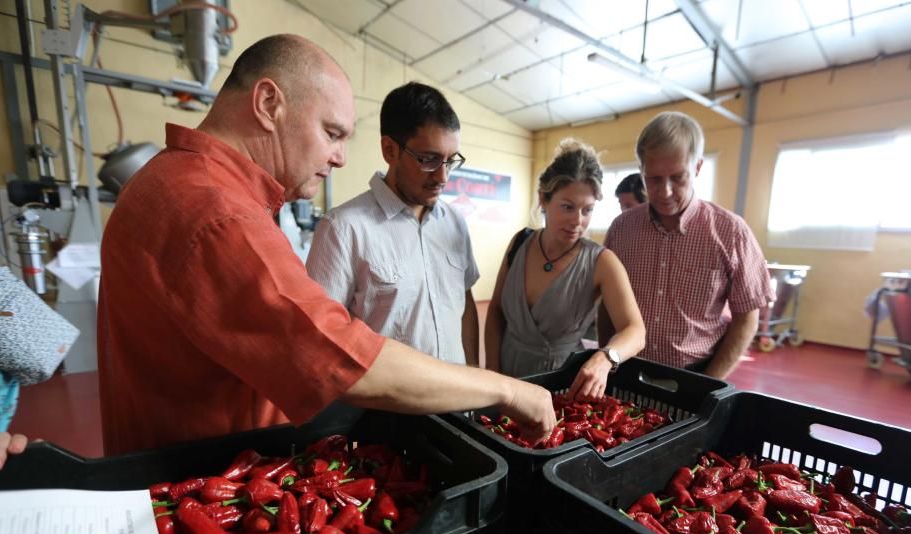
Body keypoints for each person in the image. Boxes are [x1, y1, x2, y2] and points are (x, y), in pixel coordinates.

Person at [93, 34, 554, 457]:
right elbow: (339, 355)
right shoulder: (215, 211)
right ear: (269, 103)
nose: (339, 157)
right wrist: (506, 389)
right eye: (331, 133)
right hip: (207, 468)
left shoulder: (174, 181)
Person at [306, 83, 479, 366]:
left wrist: (474, 376)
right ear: (389, 150)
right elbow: (320, 339)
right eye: (428, 159)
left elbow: (465, 305)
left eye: (450, 161)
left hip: (457, 404)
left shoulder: (455, 223)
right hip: (386, 408)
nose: (443, 176)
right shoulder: (344, 229)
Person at [599, 111, 772, 379]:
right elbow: (607, 304)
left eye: (678, 177)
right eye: (653, 179)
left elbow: (747, 316)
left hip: (696, 374)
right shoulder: (622, 230)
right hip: (628, 370)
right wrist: (607, 360)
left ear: (698, 167)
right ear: (642, 170)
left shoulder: (731, 233)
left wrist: (709, 383)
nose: (665, 191)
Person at [485, 139, 645, 401]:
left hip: (560, 386)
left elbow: (636, 331)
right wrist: (493, 374)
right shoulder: (520, 243)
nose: (577, 221)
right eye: (568, 207)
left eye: (587, 210)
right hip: (507, 376)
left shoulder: (602, 262)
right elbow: (496, 311)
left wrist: (606, 357)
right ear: (544, 200)